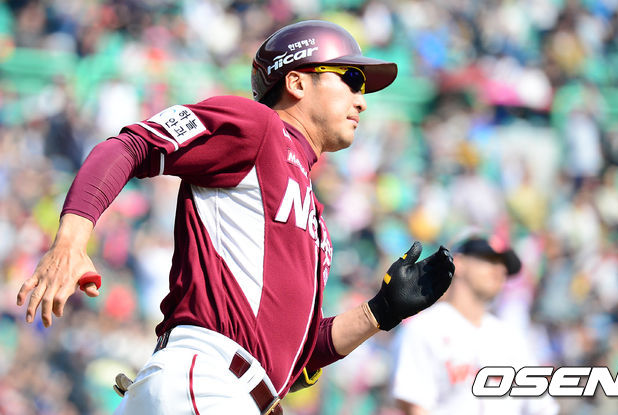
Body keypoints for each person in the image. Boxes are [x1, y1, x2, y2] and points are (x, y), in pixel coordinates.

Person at [16, 20, 455, 415]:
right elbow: (132, 146)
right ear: (297, 81)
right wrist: (70, 242)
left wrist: (380, 312)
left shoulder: (316, 218)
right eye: (351, 79)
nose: (362, 101)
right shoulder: (258, 127)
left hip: (230, 391)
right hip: (207, 379)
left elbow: (296, 356)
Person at [391, 231, 558, 415]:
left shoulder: (511, 338)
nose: (500, 270)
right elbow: (415, 407)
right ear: (459, 262)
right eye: (490, 259)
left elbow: (543, 409)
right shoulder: (424, 328)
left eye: (503, 264)